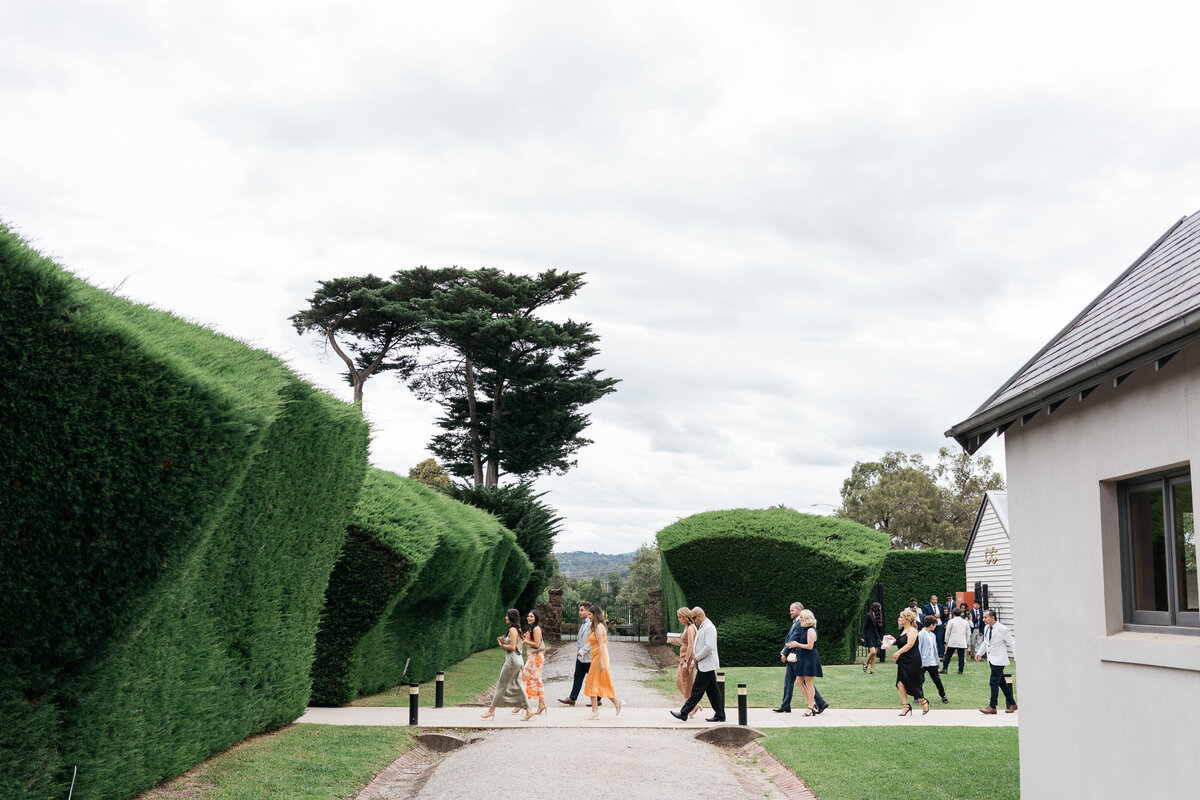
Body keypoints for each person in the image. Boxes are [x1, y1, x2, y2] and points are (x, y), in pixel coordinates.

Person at [670, 606, 725, 722]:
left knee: (696, 690)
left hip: (707, 664)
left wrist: (695, 659)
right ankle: (720, 715)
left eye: (694, 618)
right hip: (705, 664)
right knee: (713, 691)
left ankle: (684, 713)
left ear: (700, 615)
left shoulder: (709, 627)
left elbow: (709, 647)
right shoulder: (703, 627)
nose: (693, 620)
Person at [774, 602, 829, 713]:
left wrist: (785, 652)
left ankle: (817, 703)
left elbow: (799, 641)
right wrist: (785, 649)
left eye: (792, 610)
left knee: (806, 682)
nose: (790, 612)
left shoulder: (805, 627)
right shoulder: (799, 624)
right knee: (794, 681)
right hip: (797, 655)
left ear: (800, 611)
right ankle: (786, 704)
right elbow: (791, 639)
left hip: (801, 657)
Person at [480, 608, 533, 721]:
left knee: (501, 684)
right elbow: (519, 645)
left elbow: (512, 647)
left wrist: (502, 645)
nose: (505, 617)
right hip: (518, 660)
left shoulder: (512, 630)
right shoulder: (518, 629)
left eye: (507, 615)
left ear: (510, 617)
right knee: (518, 685)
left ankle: (491, 711)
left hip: (512, 661)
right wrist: (505, 642)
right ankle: (529, 710)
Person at [582, 604, 624, 719]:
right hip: (597, 655)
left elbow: (602, 645)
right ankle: (615, 702)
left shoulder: (599, 627)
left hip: (600, 656)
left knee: (593, 681)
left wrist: (601, 662)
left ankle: (595, 710)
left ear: (595, 615)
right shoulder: (595, 626)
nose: (588, 616)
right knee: (597, 682)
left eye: (590, 614)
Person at [975, 609, 1017, 714]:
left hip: (999, 660)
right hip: (991, 659)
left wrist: (1016, 658)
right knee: (1001, 682)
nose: (983, 619)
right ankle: (1013, 704)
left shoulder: (1003, 629)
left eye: (985, 617)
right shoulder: (986, 628)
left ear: (992, 618)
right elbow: (986, 642)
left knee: (993, 681)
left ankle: (992, 706)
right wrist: (979, 653)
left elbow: (1012, 644)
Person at [559, 603, 600, 707]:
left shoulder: (592, 624)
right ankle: (572, 699)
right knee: (577, 677)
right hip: (581, 657)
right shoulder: (584, 623)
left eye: (582, 610)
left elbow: (592, 641)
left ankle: (598, 699)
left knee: (592, 679)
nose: (579, 612)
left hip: (589, 657)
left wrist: (582, 651)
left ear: (588, 611)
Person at [892, 608, 929, 715]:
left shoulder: (913, 630)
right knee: (900, 683)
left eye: (901, 617)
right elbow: (902, 642)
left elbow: (910, 644)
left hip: (912, 660)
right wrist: (892, 640)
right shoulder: (903, 630)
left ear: (907, 619)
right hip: (903, 660)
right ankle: (906, 706)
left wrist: (898, 652)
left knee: (912, 683)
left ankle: (923, 701)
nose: (899, 619)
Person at [793, 609, 823, 716]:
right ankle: (811, 703)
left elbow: (810, 646)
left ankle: (810, 707)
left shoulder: (811, 630)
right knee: (798, 682)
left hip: (810, 659)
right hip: (803, 658)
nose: (799, 619)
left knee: (809, 684)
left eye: (801, 617)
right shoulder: (804, 629)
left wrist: (796, 644)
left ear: (806, 618)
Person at [672, 607, 700, 718]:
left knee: (686, 685)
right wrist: (678, 643)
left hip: (686, 660)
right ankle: (694, 705)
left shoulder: (690, 628)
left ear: (685, 616)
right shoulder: (687, 627)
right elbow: (686, 643)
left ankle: (688, 710)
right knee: (680, 683)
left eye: (680, 617)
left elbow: (691, 646)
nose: (679, 619)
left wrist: (686, 662)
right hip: (683, 659)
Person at [520, 609, 548, 715]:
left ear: (536, 618)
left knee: (523, 678)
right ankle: (541, 704)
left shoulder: (536, 629)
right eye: (528, 616)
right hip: (533, 657)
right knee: (536, 680)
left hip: (536, 658)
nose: (529, 618)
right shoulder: (533, 629)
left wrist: (525, 641)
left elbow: (537, 645)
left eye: (531, 616)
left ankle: (523, 705)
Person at [918, 616, 948, 705]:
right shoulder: (921, 634)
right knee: (920, 680)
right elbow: (919, 649)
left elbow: (935, 650)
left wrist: (937, 661)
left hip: (932, 661)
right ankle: (919, 696)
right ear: (931, 625)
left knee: (937, 680)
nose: (935, 626)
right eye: (935, 625)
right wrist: (920, 662)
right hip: (923, 661)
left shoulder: (932, 635)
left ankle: (943, 696)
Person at [942, 608, 971, 674]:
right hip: (962, 641)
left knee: (948, 656)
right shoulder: (965, 622)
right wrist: (967, 641)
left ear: (953, 614)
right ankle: (960, 670)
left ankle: (945, 668)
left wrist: (946, 640)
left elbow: (948, 631)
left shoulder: (951, 621)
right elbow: (968, 632)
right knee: (961, 657)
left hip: (952, 641)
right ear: (961, 614)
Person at [859, 602, 885, 675]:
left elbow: (880, 628)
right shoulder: (868, 615)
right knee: (872, 652)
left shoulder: (878, 616)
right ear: (876, 608)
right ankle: (866, 663)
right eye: (879, 608)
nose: (880, 610)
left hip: (876, 636)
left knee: (874, 654)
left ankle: (872, 670)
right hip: (869, 636)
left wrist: (881, 638)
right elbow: (865, 626)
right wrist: (862, 636)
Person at [922, 594, 946, 659]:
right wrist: (934, 615)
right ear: (931, 600)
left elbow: (943, 615)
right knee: (930, 640)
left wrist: (945, 622)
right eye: (933, 599)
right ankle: (930, 654)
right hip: (931, 626)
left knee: (939, 639)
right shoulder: (926, 607)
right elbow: (925, 616)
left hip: (939, 626)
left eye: (936, 600)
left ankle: (941, 655)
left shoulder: (940, 606)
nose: (935, 601)